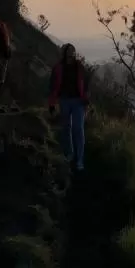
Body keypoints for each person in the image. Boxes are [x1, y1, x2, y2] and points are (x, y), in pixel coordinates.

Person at [49, 43, 90, 172]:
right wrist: (51, 104)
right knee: (66, 129)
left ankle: (79, 160)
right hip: (64, 100)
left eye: (72, 50)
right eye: (68, 50)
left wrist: (87, 100)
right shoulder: (58, 68)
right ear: (64, 52)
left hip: (78, 101)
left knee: (78, 129)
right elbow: (52, 87)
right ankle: (69, 155)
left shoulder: (80, 67)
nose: (71, 53)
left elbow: (86, 84)